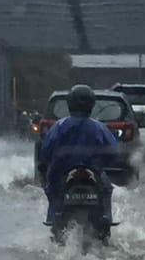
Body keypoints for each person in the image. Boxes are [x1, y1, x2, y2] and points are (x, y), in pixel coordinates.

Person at [39, 84, 120, 226]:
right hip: (93, 173)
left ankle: (53, 217)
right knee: (107, 189)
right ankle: (106, 217)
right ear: (91, 105)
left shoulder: (58, 126)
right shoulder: (99, 127)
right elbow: (113, 153)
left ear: (70, 104)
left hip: (62, 174)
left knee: (52, 189)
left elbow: (46, 151)